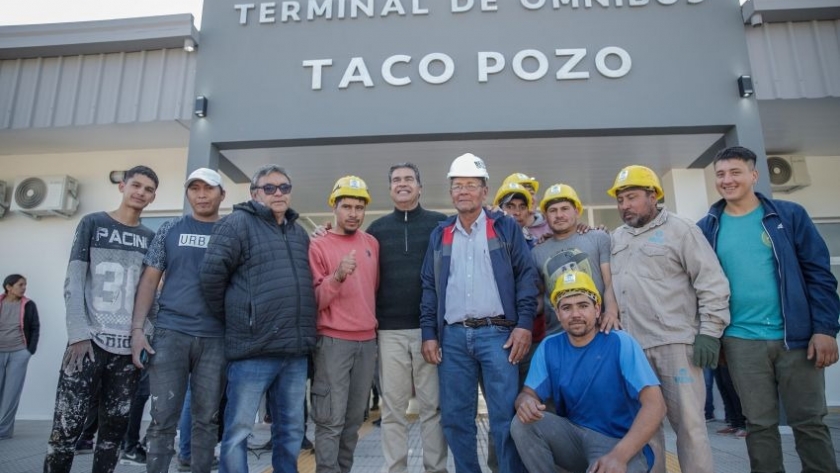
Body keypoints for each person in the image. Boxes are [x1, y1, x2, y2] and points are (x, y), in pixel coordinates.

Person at [697, 146, 840, 472]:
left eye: (735, 172)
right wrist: (713, 336)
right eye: (720, 174)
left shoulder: (788, 216)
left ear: (753, 175)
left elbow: (819, 274)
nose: (727, 180)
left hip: (797, 339)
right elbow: (699, 288)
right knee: (758, 425)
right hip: (740, 341)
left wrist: (825, 329)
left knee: (810, 422)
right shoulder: (707, 227)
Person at [420, 153, 538, 473]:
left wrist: (524, 324)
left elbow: (526, 278)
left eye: (471, 185)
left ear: (484, 191)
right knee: (457, 419)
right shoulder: (440, 234)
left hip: (499, 334)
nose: (463, 191)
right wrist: (429, 333)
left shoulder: (504, 228)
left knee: (505, 418)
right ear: (450, 192)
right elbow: (430, 288)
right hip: (454, 338)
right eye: (457, 185)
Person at [607, 164, 730, 473]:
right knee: (644, 430)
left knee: (689, 428)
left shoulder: (682, 230)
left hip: (676, 346)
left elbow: (712, 282)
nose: (625, 206)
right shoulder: (616, 238)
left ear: (653, 195)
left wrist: (710, 332)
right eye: (620, 200)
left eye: (632, 197)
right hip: (633, 350)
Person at [200, 164, 316, 473]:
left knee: (291, 431)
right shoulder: (236, 224)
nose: (278, 193)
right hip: (252, 350)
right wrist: (242, 320)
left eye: (284, 187)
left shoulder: (298, 232)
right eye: (269, 188)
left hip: (293, 353)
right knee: (238, 431)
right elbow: (211, 280)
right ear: (254, 193)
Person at [44, 165, 159, 473]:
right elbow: (75, 280)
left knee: (112, 436)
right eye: (136, 185)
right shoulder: (93, 222)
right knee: (65, 431)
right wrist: (78, 333)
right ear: (122, 186)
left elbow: (151, 296)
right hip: (88, 344)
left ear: (153, 197)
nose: (141, 193)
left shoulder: (151, 237)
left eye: (148, 189)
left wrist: (144, 333)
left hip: (126, 352)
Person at [511, 270, 666, 473]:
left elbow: (656, 406)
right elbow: (528, 393)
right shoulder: (550, 347)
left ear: (597, 308)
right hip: (575, 438)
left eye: (583, 306)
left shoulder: (620, 342)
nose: (575, 314)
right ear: (557, 313)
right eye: (566, 307)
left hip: (619, 443)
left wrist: (619, 456)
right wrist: (524, 403)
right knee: (522, 424)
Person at [131, 168, 227, 473]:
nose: (201, 195)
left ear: (221, 194)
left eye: (209, 189)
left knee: (206, 419)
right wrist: (138, 330)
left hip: (216, 338)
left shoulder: (232, 232)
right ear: (188, 193)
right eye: (194, 188)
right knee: (162, 420)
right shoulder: (170, 229)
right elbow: (149, 281)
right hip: (170, 333)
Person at [365, 163, 448, 473]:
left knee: (433, 409)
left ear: (420, 187)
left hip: (430, 333)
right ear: (390, 188)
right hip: (388, 332)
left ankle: (435, 468)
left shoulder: (440, 225)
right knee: (392, 411)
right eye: (396, 180)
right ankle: (394, 469)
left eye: (409, 179)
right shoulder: (375, 230)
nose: (403, 184)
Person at [308, 175, 379, 473]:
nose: (353, 213)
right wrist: (336, 277)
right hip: (332, 343)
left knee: (352, 422)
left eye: (359, 207)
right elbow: (315, 301)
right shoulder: (318, 247)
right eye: (347, 206)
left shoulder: (372, 243)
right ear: (334, 208)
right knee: (330, 421)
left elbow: (371, 289)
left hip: (366, 342)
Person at [531, 183, 619, 336]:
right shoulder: (537, 251)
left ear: (577, 211)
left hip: (600, 329)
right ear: (545, 216)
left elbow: (609, 282)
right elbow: (538, 295)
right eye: (553, 210)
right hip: (557, 334)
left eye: (565, 209)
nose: (559, 215)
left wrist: (611, 312)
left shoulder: (598, 238)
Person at [0, 274, 40, 440]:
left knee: (11, 393)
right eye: (20, 285)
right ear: (9, 287)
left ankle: (3, 431)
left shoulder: (29, 305)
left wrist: (28, 352)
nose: (24, 288)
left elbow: (35, 328)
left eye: (25, 285)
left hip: (18, 353)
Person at [498, 173, 551, 244]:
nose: (530, 198)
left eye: (531, 193)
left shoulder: (552, 226)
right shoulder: (498, 230)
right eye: (525, 194)